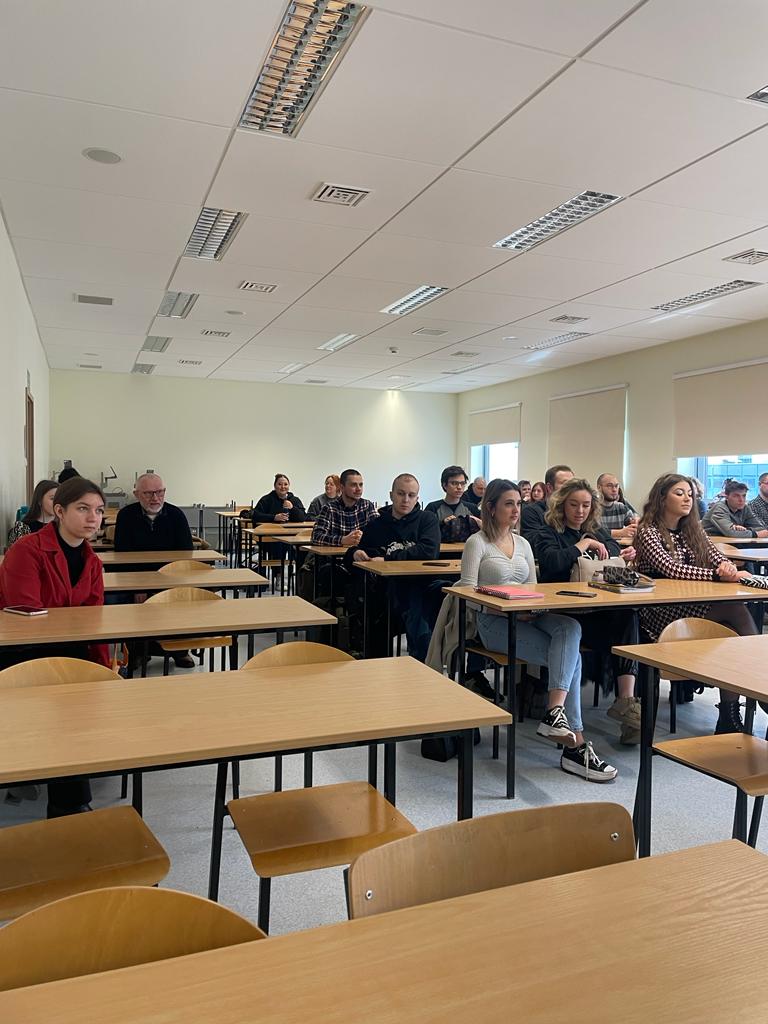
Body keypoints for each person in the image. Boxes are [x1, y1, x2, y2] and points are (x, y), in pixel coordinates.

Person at [459, 478, 616, 781]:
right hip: (493, 621)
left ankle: (555, 714)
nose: (516, 510)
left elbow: (533, 587)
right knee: (572, 659)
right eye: (509, 504)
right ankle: (575, 746)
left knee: (570, 626)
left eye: (518, 504)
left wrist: (533, 609)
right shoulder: (476, 543)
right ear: (490, 507)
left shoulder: (524, 544)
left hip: (528, 614)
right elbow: (466, 594)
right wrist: (505, 608)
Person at [0, 477, 107, 817]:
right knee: (68, 699)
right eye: (83, 509)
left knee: (83, 691)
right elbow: (26, 616)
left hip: (66, 650)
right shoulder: (26, 550)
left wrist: (103, 672)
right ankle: (70, 801)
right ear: (59, 511)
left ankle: (69, 798)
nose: (93, 518)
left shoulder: (92, 562)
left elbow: (94, 622)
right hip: (19, 652)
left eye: (99, 511)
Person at [635, 473, 758, 734]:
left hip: (695, 605)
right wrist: (716, 575)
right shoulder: (648, 531)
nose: (687, 499)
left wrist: (726, 567)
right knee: (734, 608)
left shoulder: (692, 529)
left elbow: (716, 556)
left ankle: (729, 715)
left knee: (731, 636)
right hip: (661, 612)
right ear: (662, 498)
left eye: (690, 494)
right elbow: (671, 569)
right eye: (679, 493)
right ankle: (758, 681)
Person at [534, 478, 641, 743]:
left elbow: (612, 548)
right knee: (616, 625)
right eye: (574, 505)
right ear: (562, 505)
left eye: (585, 505)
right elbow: (551, 562)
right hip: (563, 612)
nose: (580, 511)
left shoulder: (595, 530)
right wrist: (583, 546)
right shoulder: (548, 532)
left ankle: (626, 702)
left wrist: (618, 553)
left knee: (628, 616)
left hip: (594, 609)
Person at [349, 474, 440, 661]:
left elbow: (428, 551)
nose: (406, 500)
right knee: (374, 610)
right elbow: (361, 550)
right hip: (384, 590)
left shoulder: (427, 520)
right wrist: (355, 553)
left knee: (419, 611)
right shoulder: (376, 525)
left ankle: (421, 665)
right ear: (391, 495)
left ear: (417, 498)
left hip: (419, 585)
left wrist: (388, 558)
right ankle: (378, 665)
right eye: (400, 494)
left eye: (411, 495)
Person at [114, 473, 194, 668]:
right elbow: (122, 556)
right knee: (126, 603)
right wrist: (138, 586)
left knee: (182, 600)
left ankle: (179, 650)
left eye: (159, 492)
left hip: (170, 577)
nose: (155, 498)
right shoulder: (126, 516)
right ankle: (138, 651)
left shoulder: (176, 515)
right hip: (135, 578)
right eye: (148, 493)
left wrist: (170, 584)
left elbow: (186, 554)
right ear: (136, 494)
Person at [311, 468, 377, 547]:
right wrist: (343, 540)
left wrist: (364, 537)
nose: (359, 489)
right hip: (336, 555)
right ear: (342, 487)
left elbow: (380, 532)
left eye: (361, 485)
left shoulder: (367, 505)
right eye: (353, 485)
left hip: (361, 553)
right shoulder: (329, 508)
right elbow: (316, 537)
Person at [520, 465, 574, 542]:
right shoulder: (531, 512)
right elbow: (536, 543)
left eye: (573, 484)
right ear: (550, 488)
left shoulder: (575, 511)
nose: (572, 488)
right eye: (565, 484)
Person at [701, 480, 768, 539]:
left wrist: (744, 529)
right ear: (727, 497)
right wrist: (755, 534)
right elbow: (730, 532)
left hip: (730, 540)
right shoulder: (719, 507)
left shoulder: (745, 508)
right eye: (736, 496)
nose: (741, 500)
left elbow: (760, 528)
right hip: (709, 542)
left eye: (744, 496)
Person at [6, 478, 58, 547]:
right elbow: (15, 552)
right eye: (52, 498)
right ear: (39, 500)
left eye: (59, 498)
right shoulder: (23, 528)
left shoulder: (64, 526)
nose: (57, 502)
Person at [596, 473, 638, 542]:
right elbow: (594, 532)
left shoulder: (621, 507)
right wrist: (620, 533)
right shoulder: (592, 508)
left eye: (616, 486)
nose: (614, 489)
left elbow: (634, 522)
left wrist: (636, 521)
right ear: (599, 488)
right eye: (609, 486)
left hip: (620, 546)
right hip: (600, 546)